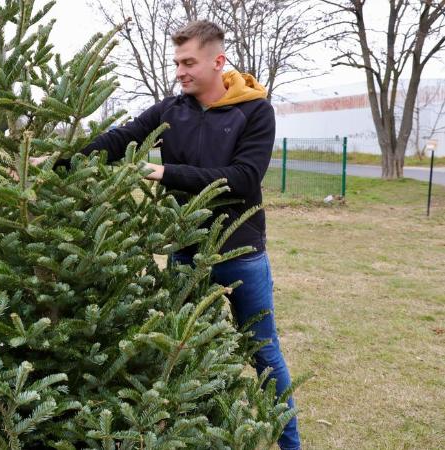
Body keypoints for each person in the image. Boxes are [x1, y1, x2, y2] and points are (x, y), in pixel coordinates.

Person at [42, 20, 301, 450]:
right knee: (180, 349)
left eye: (188, 62)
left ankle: (290, 444)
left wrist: (164, 172)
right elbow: (119, 139)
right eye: (176, 62)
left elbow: (243, 177)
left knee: (263, 352)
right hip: (184, 250)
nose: (179, 71)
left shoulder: (254, 111)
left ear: (217, 61)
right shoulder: (170, 111)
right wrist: (54, 163)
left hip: (241, 251)